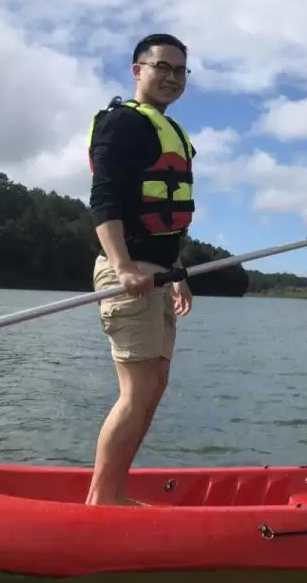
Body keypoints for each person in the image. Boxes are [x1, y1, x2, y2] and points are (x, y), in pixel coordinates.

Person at [84, 32, 197, 506]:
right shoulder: (123, 124)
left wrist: (178, 270)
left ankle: (113, 493)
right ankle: (102, 500)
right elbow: (104, 198)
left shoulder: (170, 130)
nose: (170, 77)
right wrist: (121, 263)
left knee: (153, 388)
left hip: (158, 271)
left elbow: (166, 212)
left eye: (179, 70)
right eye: (161, 67)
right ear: (138, 71)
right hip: (127, 271)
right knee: (137, 391)